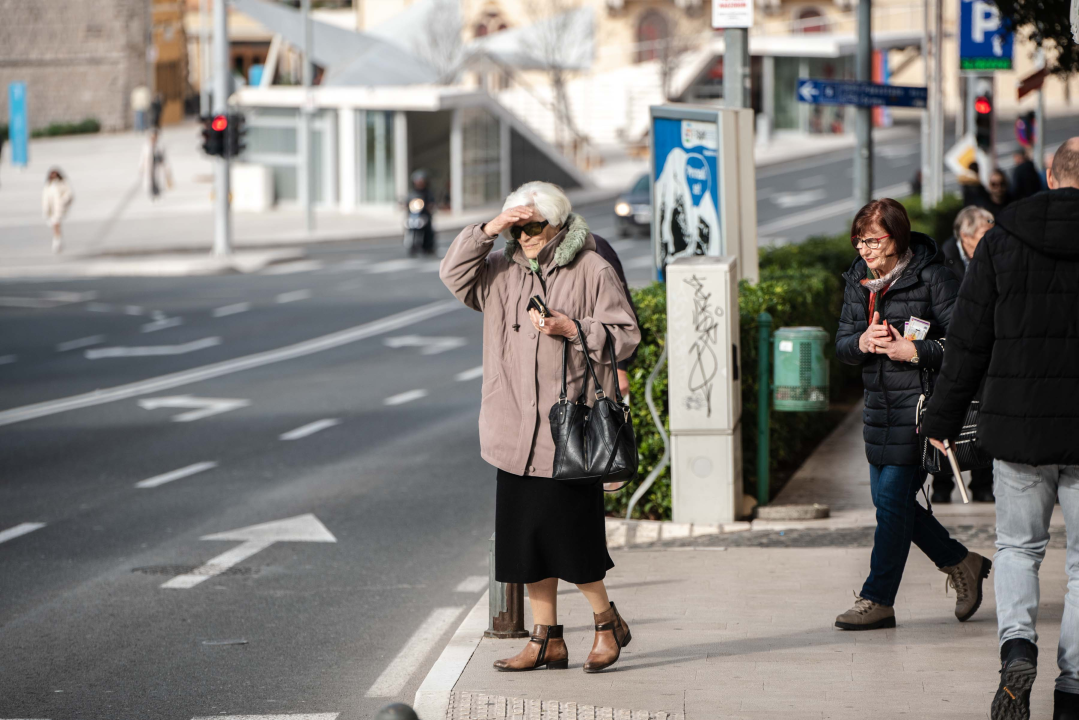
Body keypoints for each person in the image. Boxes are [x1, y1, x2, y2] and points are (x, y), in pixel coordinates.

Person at [440, 181, 640, 673]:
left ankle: (605, 622)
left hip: (569, 433)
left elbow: (627, 336)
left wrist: (573, 328)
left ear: (556, 225)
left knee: (573, 541)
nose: (525, 235)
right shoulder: (500, 270)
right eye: (517, 225)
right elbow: (452, 274)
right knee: (526, 543)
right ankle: (545, 639)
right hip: (512, 432)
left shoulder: (591, 266)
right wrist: (490, 229)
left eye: (533, 225)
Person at [922, 137, 1079, 720]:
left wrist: (941, 417)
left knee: (1018, 548)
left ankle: (1017, 647)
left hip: (1018, 427)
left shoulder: (1004, 238)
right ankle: (1073, 689)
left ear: (1048, 174)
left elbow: (968, 338)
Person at [833, 198, 991, 631]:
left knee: (891, 503)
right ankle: (963, 562)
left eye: (872, 240)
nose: (863, 249)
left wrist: (913, 349)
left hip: (922, 410)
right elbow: (842, 343)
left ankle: (878, 598)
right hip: (878, 410)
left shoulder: (934, 278)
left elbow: (966, 344)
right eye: (858, 240)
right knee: (892, 506)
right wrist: (862, 341)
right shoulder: (858, 281)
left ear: (896, 237)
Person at [932, 205, 996, 504]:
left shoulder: (994, 255)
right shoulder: (943, 260)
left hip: (987, 349)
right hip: (953, 350)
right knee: (949, 412)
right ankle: (943, 484)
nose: (992, 238)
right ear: (966, 235)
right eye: (986, 233)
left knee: (983, 417)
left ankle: (983, 483)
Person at [41, 168, 73, 254]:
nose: (53, 176)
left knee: (56, 225)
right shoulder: (48, 185)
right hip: (50, 208)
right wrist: (45, 210)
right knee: (55, 225)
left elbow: (69, 194)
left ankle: (56, 242)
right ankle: (58, 240)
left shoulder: (62, 183)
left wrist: (63, 201)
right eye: (52, 174)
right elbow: (45, 198)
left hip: (59, 208)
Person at [139, 130, 172, 201]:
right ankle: (152, 194)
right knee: (150, 181)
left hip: (157, 167)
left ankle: (158, 193)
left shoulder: (160, 146)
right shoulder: (146, 146)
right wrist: (141, 167)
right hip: (149, 167)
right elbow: (142, 157)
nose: (153, 139)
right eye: (152, 137)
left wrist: (167, 168)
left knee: (158, 180)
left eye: (155, 137)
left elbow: (164, 158)